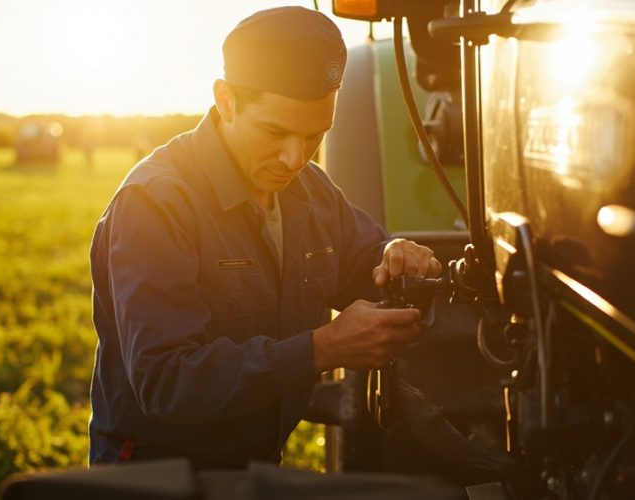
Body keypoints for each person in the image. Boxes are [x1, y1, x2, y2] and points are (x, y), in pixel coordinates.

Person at [88, 6, 442, 470]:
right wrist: (323, 348)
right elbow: (166, 382)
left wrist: (402, 263)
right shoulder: (155, 204)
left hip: (256, 469)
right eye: (275, 132)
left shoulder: (311, 190)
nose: (294, 157)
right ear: (226, 99)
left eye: (315, 135)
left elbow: (367, 265)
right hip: (159, 477)